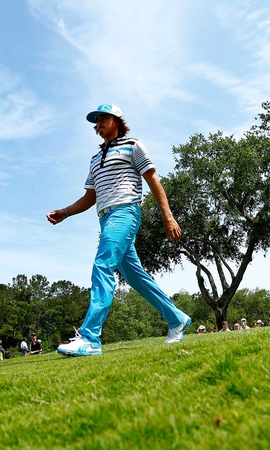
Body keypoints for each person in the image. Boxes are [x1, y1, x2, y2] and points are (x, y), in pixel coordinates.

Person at [47, 104, 190, 357]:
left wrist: (168, 217)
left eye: (104, 118)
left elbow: (153, 180)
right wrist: (65, 211)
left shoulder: (133, 145)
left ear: (117, 120)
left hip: (125, 212)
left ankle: (90, 338)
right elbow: (90, 197)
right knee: (135, 277)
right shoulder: (94, 159)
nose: (99, 123)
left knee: (102, 265)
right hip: (105, 219)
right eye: (97, 120)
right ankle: (176, 317)